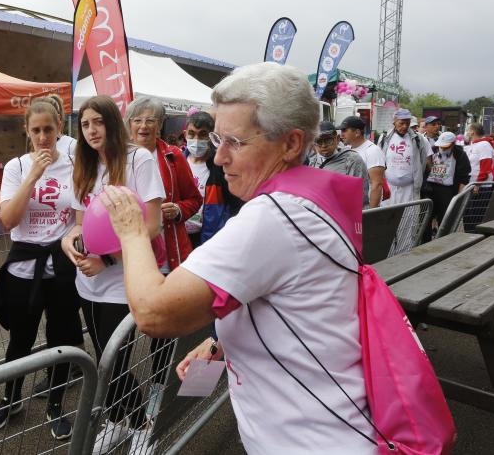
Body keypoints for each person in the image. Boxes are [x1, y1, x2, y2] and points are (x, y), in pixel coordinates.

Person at [98, 62, 375, 454]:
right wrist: (223, 342)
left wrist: (130, 228)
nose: (217, 157)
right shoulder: (315, 196)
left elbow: (153, 314)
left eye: (234, 142)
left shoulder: (274, 217)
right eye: (215, 138)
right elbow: (293, 299)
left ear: (292, 144)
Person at [60, 95, 164, 453]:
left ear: (112, 124)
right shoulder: (84, 166)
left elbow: (152, 225)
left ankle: (142, 425)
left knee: (113, 360)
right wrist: (68, 244)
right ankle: (122, 420)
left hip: (124, 279)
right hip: (87, 281)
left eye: (98, 122)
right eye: (85, 124)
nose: (91, 130)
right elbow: (77, 224)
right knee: (102, 356)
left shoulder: (139, 159)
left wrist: (109, 260)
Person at [0, 98, 83, 440]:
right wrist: (34, 175)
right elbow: (9, 219)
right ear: (26, 130)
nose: (43, 137)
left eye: (49, 129)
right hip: (24, 264)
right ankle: (11, 399)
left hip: (61, 264)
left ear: (60, 128)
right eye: (36, 130)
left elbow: (80, 218)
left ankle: (55, 405)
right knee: (20, 340)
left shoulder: (74, 163)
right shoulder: (16, 167)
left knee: (61, 338)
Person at [125, 97, 202, 422]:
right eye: (138, 120)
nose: (144, 126)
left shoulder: (172, 157)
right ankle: (120, 403)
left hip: (169, 253)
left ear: (159, 125)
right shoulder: (115, 156)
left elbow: (194, 199)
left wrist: (177, 210)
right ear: (128, 124)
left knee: (165, 330)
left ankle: (160, 389)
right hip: (125, 257)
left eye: (150, 121)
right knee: (122, 334)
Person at [183, 110, 243, 247]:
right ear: (185, 134)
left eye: (202, 135)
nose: (196, 140)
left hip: (208, 240)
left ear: (211, 137)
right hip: (179, 237)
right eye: (192, 134)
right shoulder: (176, 162)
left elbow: (235, 206)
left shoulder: (221, 168)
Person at [421, 132, 471, 242]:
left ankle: (444, 242)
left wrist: (458, 197)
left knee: (446, 219)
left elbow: (464, 177)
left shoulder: (460, 154)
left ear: (453, 144)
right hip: (430, 189)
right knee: (426, 219)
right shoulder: (432, 150)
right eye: (441, 146)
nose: (443, 148)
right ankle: (425, 242)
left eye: (446, 146)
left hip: (447, 191)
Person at [309, 121, 370, 207]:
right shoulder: (313, 162)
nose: (323, 146)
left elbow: (359, 197)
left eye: (327, 140)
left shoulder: (352, 160)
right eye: (319, 141)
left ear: (337, 139)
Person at [378, 108, 430, 205]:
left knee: (408, 217)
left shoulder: (418, 139)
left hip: (410, 190)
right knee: (389, 216)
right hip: (389, 188)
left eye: (407, 123)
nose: (405, 126)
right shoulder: (384, 138)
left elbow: (423, 161)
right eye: (401, 123)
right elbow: (380, 159)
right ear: (394, 122)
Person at [339, 116, 385, 208]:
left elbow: (377, 185)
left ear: (357, 132)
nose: (341, 135)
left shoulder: (372, 151)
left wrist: (371, 213)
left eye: (344, 130)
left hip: (365, 209)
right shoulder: (347, 149)